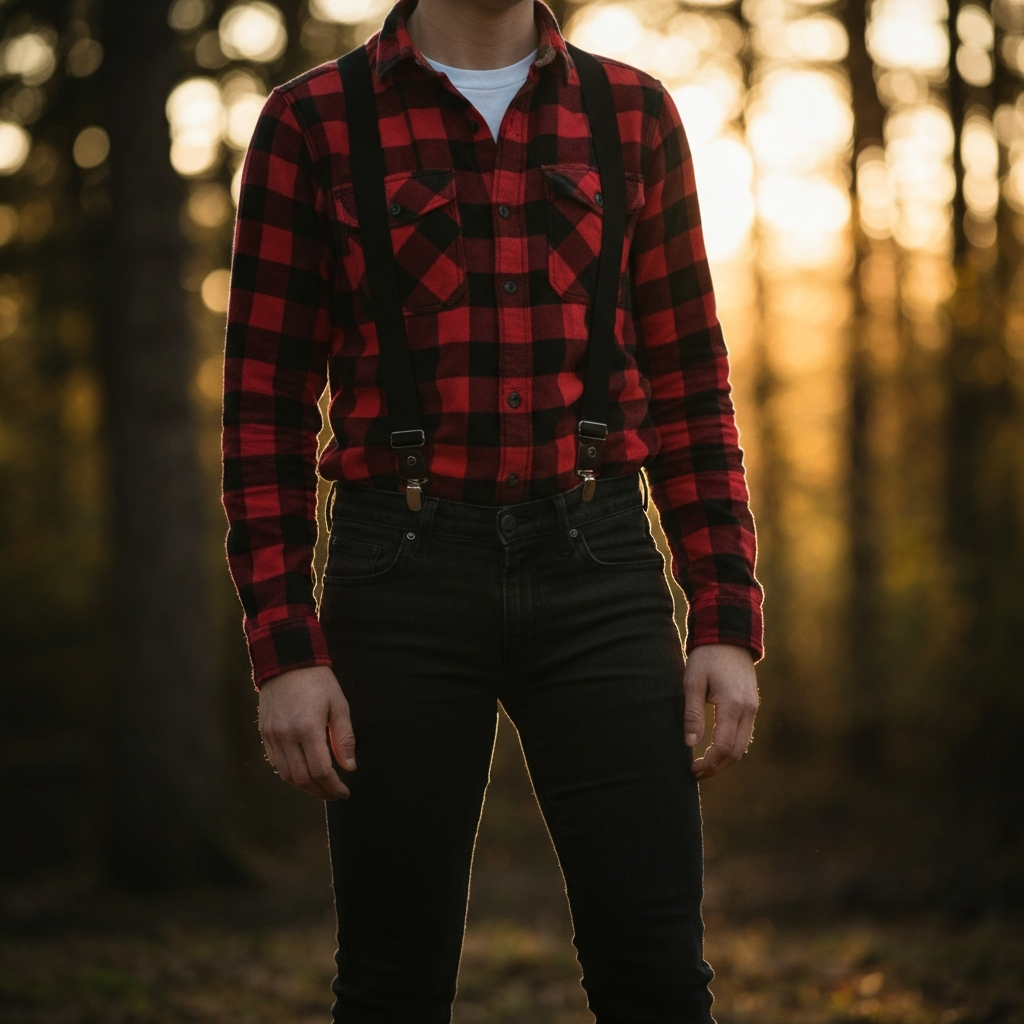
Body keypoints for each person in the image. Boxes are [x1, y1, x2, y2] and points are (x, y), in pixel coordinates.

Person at [222, 0, 763, 1019]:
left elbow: (691, 381)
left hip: (599, 564)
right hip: (399, 574)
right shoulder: (313, 121)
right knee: (390, 981)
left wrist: (725, 619)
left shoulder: (632, 113)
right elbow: (264, 406)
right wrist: (286, 649)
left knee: (656, 972)